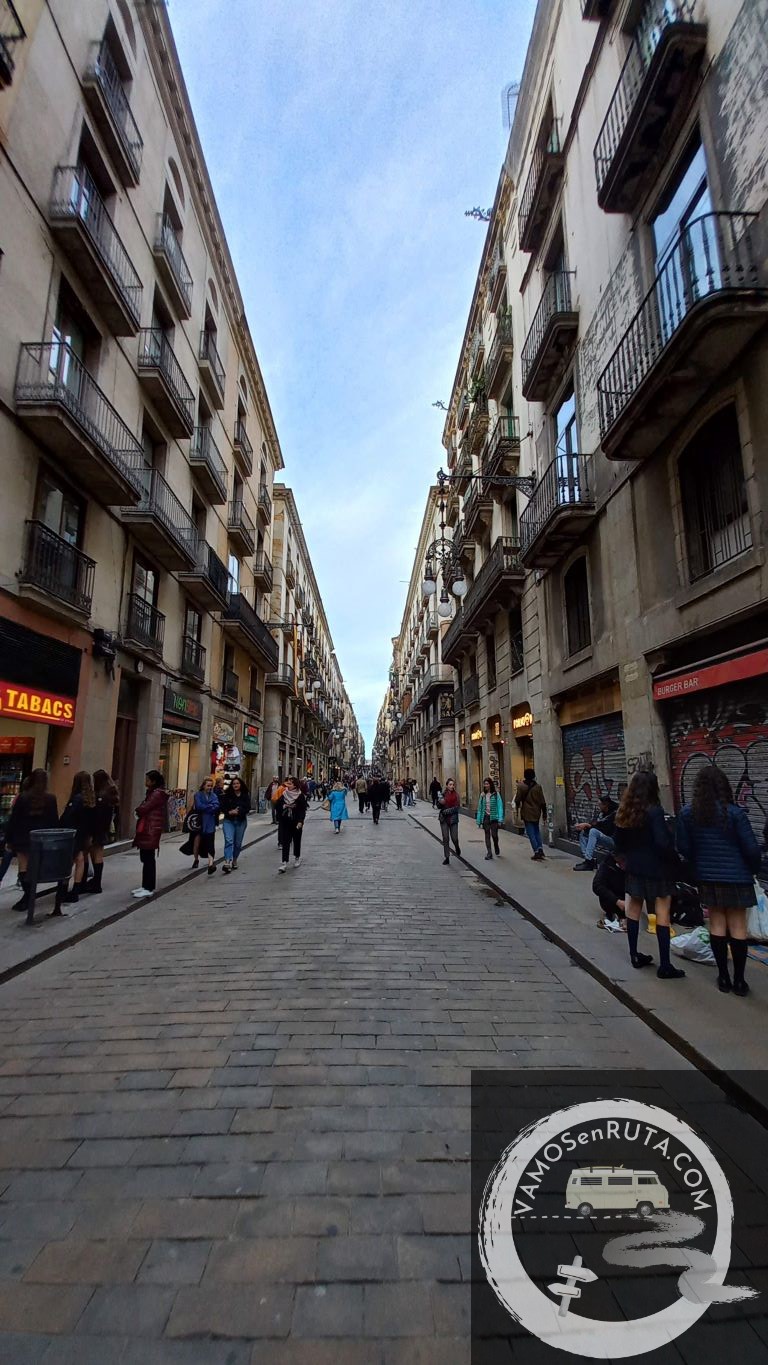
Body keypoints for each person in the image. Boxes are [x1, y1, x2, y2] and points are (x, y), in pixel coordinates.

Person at [676, 765, 762, 996]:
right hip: (738, 877)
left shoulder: (688, 814)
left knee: (716, 925)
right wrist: (753, 869)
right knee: (738, 928)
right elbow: (752, 849)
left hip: (708, 877)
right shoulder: (735, 813)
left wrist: (698, 865)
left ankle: (723, 976)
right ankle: (740, 981)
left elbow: (683, 847)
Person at [613, 771, 684, 980]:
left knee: (633, 910)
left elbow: (618, 841)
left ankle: (634, 955)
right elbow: (662, 842)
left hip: (635, 868)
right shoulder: (654, 811)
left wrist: (627, 858)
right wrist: (674, 858)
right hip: (656, 869)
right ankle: (665, 964)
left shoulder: (626, 811)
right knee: (662, 913)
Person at [4, 769, 59, 912]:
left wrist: (8, 839)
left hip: (23, 839)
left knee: (23, 867)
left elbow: (13, 821)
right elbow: (54, 821)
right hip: (42, 840)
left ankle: (28, 896)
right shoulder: (51, 798)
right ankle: (29, 896)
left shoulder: (23, 797)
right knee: (34, 867)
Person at [81, 769, 119, 894]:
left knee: (93, 854)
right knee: (98, 855)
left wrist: (91, 833)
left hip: (97, 829)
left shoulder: (100, 797)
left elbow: (97, 816)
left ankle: (95, 882)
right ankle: (96, 881)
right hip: (104, 829)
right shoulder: (110, 794)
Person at [60, 771, 96, 903]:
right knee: (80, 859)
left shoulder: (76, 799)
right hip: (84, 833)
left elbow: (67, 817)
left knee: (68, 861)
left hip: (73, 833)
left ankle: (64, 888)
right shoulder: (90, 798)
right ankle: (76, 888)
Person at [132, 770, 169, 898]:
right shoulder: (154, 793)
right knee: (146, 858)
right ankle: (145, 885)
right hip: (149, 827)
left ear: (153, 781)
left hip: (151, 828)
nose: (145, 782)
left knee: (148, 858)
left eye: (147, 779)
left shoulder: (156, 794)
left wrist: (138, 810)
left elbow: (145, 807)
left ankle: (148, 887)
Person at [573, 796, 618, 871]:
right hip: (605, 837)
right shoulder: (602, 813)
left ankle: (588, 861)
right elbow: (596, 823)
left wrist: (588, 825)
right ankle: (589, 860)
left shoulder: (614, 813)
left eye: (600, 805)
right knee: (584, 832)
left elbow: (603, 826)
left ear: (605, 805)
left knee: (593, 831)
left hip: (613, 841)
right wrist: (584, 826)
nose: (598, 807)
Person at [219, 775, 251, 873]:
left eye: (237, 783)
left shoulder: (245, 795)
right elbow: (222, 807)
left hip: (241, 821)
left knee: (238, 844)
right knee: (229, 841)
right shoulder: (227, 796)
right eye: (234, 784)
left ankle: (235, 859)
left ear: (240, 784)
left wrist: (239, 811)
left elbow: (248, 808)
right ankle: (227, 862)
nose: (235, 785)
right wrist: (229, 812)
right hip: (229, 821)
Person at [276, 775, 306, 871]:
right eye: (288, 782)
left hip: (296, 821)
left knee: (296, 840)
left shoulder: (300, 796)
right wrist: (285, 806)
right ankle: (284, 862)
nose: (288, 784)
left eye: (290, 783)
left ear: (295, 785)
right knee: (285, 841)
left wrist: (301, 821)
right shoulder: (284, 794)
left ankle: (297, 857)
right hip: (286, 821)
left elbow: (302, 810)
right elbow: (277, 806)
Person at [515, 768, 547, 861]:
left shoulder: (521, 786)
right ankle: (540, 848)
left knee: (530, 833)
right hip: (537, 812)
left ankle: (536, 850)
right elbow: (543, 801)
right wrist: (544, 814)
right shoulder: (538, 787)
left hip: (527, 812)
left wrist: (517, 808)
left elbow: (517, 799)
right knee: (536, 830)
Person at [592, 853, 627, 932]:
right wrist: (617, 901)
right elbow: (597, 885)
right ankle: (613, 915)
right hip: (612, 900)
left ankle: (622, 917)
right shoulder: (607, 865)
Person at [192, 777, 220, 875]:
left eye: (211, 786)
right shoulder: (198, 795)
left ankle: (210, 864)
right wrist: (210, 807)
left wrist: (207, 807)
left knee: (210, 844)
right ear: (203, 786)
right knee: (197, 842)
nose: (210, 788)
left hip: (210, 822)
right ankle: (196, 859)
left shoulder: (214, 795)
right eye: (208, 786)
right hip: (199, 822)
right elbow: (199, 806)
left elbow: (216, 806)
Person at [476, 778, 504, 860]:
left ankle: (496, 845)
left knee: (494, 835)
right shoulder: (482, 795)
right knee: (487, 835)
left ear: (490, 784)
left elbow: (500, 807)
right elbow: (480, 808)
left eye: (487, 784)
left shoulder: (496, 794)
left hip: (494, 817)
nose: (486, 785)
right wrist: (479, 820)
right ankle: (489, 853)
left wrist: (500, 819)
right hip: (486, 817)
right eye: (485, 784)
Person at [437, 778, 461, 863]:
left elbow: (457, 807)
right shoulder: (442, 794)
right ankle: (447, 857)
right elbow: (438, 806)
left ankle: (457, 847)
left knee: (454, 838)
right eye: (450, 784)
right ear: (447, 785)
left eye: (453, 784)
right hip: (443, 819)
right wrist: (440, 803)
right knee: (445, 838)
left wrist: (446, 811)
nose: (452, 786)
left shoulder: (456, 795)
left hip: (453, 819)